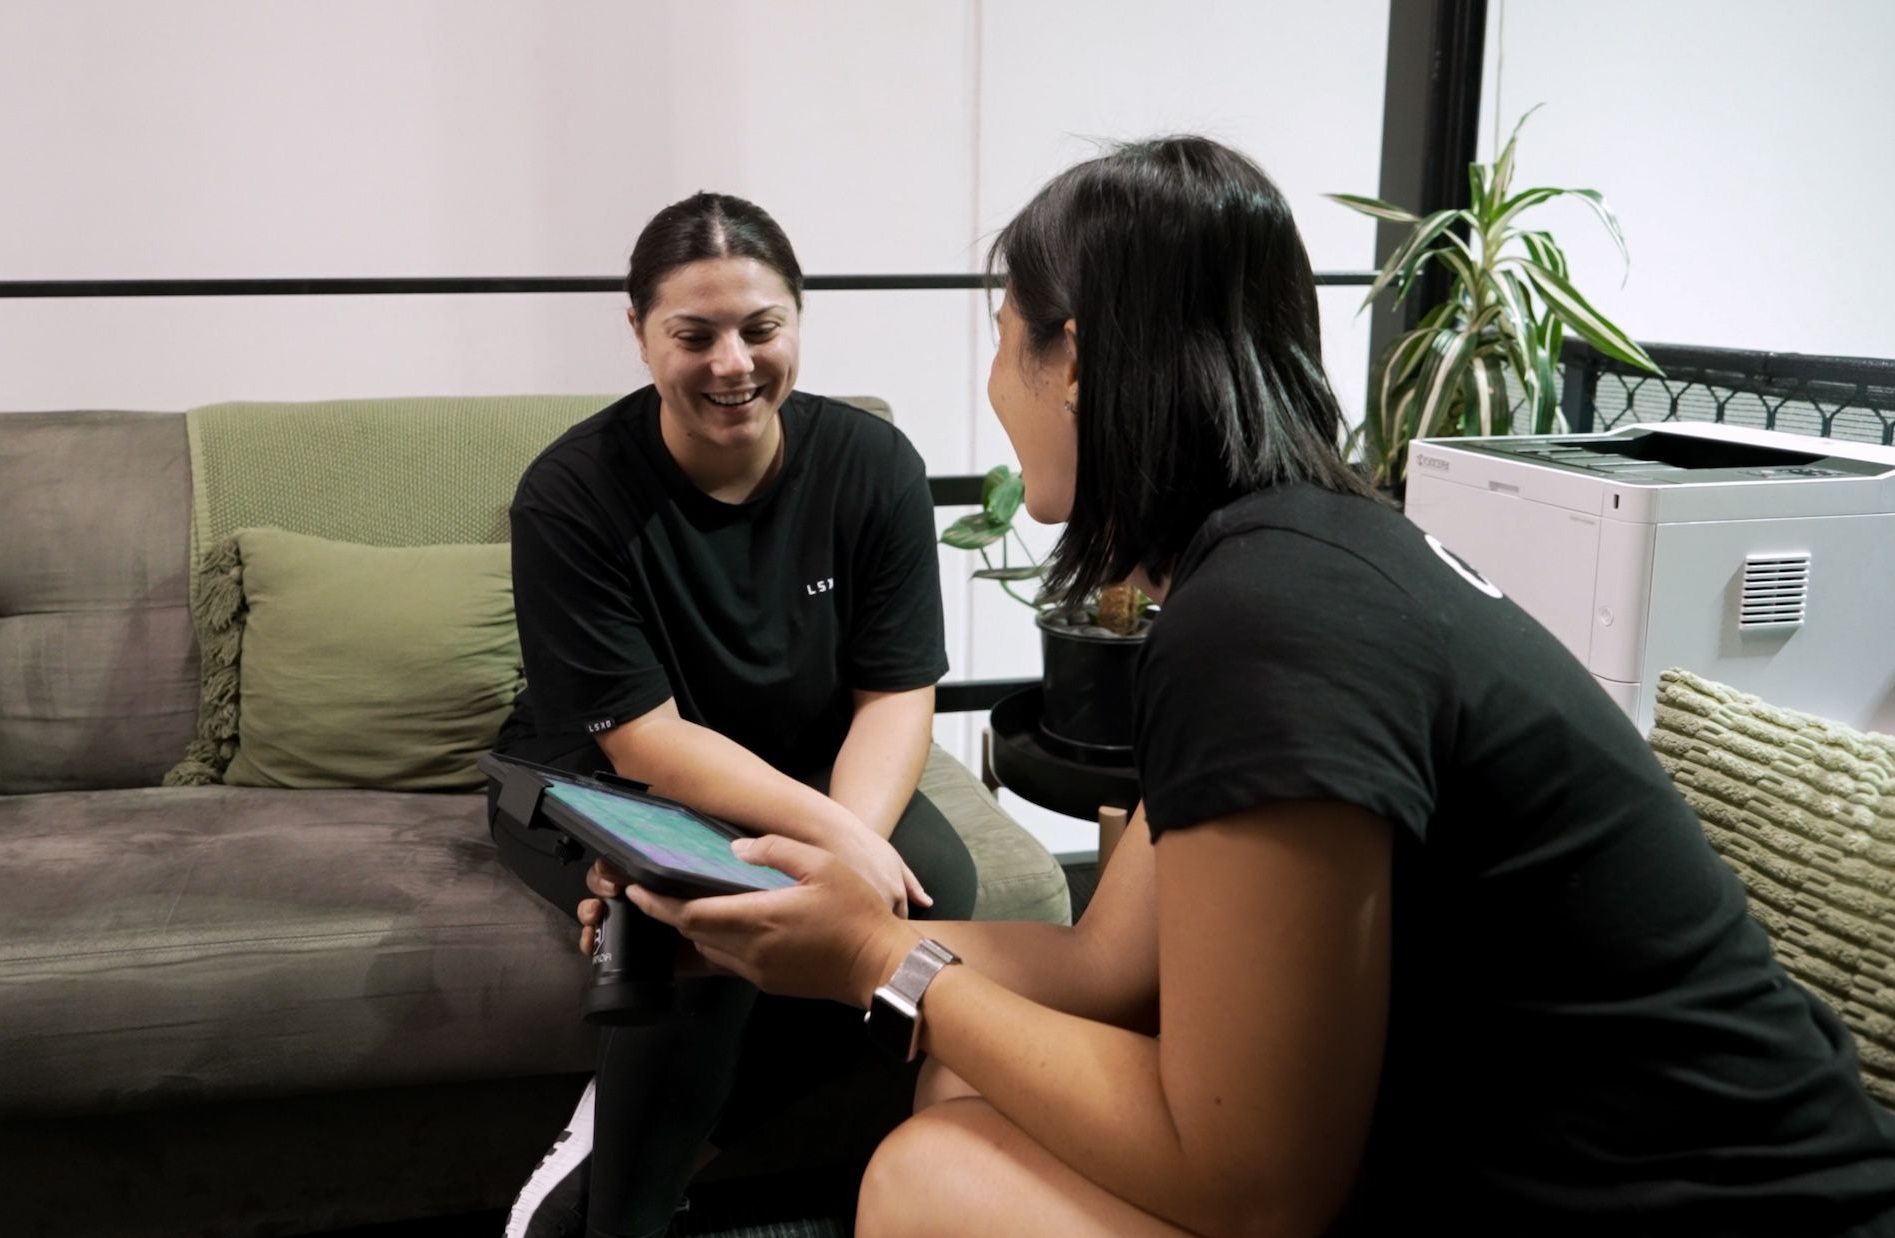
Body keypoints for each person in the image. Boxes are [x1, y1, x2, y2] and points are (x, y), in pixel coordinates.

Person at [604, 137, 1895, 1236]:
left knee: (933, 1175)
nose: (994, 387)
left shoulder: (1265, 625)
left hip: (1701, 1203)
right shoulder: (1296, 557)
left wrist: (889, 959)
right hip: (1578, 1154)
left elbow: (1256, 1180)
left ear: (1080, 358)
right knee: (964, 1088)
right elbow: (1112, 965)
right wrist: (799, 931)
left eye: (1004, 343)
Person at [494, 190, 979, 1238]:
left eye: (761, 329)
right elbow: (645, 738)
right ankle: (615, 1216)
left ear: (797, 321)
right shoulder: (571, 491)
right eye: (694, 333)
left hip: (799, 762)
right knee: (718, 911)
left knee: (941, 895)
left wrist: (854, 854)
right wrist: (843, 840)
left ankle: (634, 1153)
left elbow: (896, 690)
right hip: (596, 774)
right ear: (638, 333)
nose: (732, 363)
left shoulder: (871, 466)